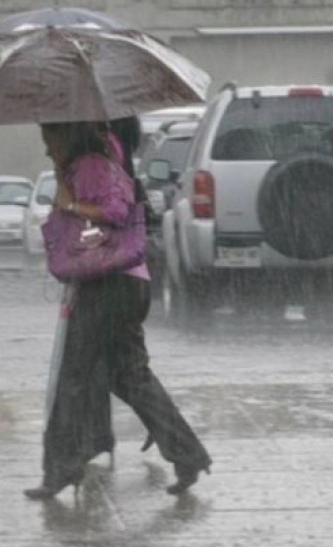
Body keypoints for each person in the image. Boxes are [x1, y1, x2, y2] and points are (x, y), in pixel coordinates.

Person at [25, 121, 211, 500]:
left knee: (73, 376)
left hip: (110, 284)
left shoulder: (93, 162)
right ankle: (188, 454)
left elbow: (115, 211)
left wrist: (71, 203)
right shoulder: (87, 163)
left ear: (68, 135)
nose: (46, 149)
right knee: (129, 376)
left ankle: (61, 468)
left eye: (50, 139)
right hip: (123, 283)